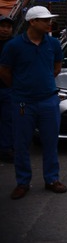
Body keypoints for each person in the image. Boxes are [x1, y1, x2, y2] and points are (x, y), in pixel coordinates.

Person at [0, 6, 66, 200]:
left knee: (50, 142)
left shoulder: (53, 43)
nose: (49, 23)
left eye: (49, 20)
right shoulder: (14, 46)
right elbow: (4, 71)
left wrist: (42, 85)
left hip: (48, 101)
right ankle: (22, 182)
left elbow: (56, 67)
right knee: (21, 143)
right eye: (45, 20)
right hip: (22, 102)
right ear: (32, 22)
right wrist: (21, 88)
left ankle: (52, 179)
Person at [0, 15, 14, 163]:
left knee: (8, 120)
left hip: (9, 89)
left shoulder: (14, 45)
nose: (5, 29)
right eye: (2, 26)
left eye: (8, 27)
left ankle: (6, 149)